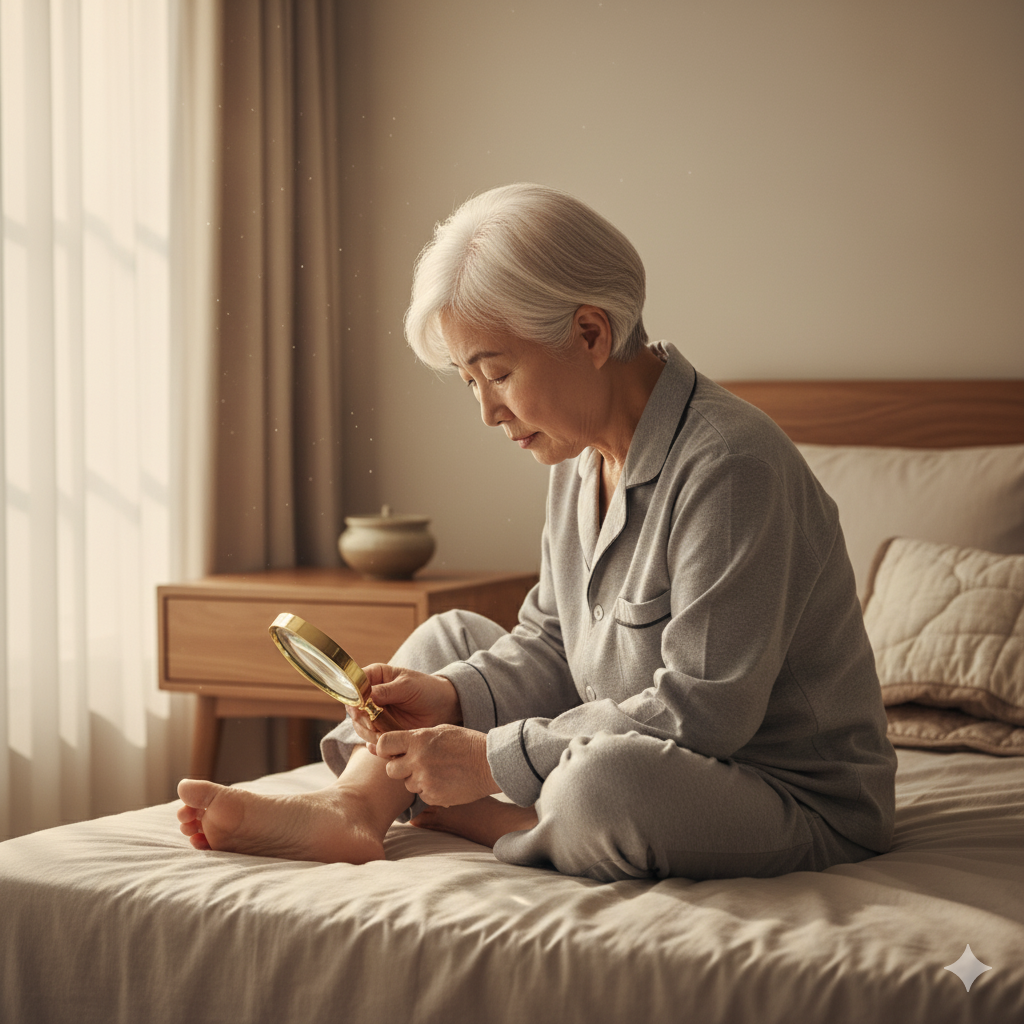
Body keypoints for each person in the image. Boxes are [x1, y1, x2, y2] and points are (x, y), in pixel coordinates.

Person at [177, 183, 897, 882]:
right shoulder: (577, 455)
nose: (488, 411)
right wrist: (452, 697)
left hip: (777, 793)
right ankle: (355, 808)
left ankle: (500, 819)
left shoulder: (733, 466)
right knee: (447, 641)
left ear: (590, 334)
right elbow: (552, 643)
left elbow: (705, 714)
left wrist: (491, 759)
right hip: (645, 743)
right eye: (468, 381)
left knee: (605, 786)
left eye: (498, 374)